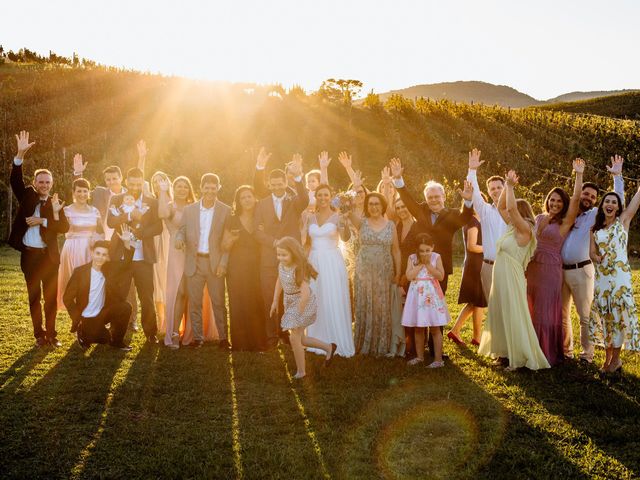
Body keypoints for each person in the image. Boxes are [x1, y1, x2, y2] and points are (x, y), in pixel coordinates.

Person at [478, 171, 550, 371]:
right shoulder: (512, 228)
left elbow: (508, 206)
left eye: (514, 212)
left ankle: (517, 358)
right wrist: (506, 191)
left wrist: (509, 185)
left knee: (512, 314)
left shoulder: (525, 229)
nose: (509, 214)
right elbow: (503, 206)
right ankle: (503, 353)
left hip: (512, 277)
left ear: (521, 212)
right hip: (500, 276)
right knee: (500, 313)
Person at [561, 155, 624, 363]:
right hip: (561, 271)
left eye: (592, 196)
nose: (587, 198)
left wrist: (617, 177)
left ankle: (587, 354)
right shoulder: (568, 214)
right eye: (585, 194)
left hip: (583, 271)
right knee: (562, 314)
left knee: (585, 316)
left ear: (596, 200)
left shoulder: (595, 215)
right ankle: (566, 350)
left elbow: (617, 202)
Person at [9, 131, 69, 347]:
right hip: (30, 257)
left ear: (51, 184)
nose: (44, 184)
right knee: (34, 298)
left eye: (47, 182)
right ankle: (39, 335)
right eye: (40, 181)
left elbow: (64, 226)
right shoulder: (27, 195)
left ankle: (52, 334)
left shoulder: (56, 202)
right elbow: (15, 180)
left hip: (49, 257)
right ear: (34, 182)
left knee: (50, 299)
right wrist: (19, 156)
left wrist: (42, 221)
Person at [525, 159, 584, 366]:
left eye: (559, 201)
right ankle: (528, 348)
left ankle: (545, 351)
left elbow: (576, 199)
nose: (555, 204)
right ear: (547, 200)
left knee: (545, 308)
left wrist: (578, 175)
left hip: (550, 270)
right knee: (529, 305)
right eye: (552, 200)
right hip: (532, 267)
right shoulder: (539, 218)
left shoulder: (565, 222)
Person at [73, 156, 139, 332]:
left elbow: (141, 180)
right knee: (104, 281)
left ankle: (132, 318)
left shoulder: (130, 196)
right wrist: (78, 172)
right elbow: (81, 192)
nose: (111, 182)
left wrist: (141, 158)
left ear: (121, 178)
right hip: (104, 245)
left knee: (127, 281)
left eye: (115, 178)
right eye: (108, 179)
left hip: (123, 243)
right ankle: (107, 316)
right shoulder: (100, 193)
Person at [390, 158, 474, 293]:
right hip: (419, 266)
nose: (433, 200)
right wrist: (398, 179)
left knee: (437, 304)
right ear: (426, 199)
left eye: (436, 196)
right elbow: (407, 198)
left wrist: (468, 200)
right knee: (420, 303)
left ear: (444, 197)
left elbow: (466, 217)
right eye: (430, 197)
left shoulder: (453, 215)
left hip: (440, 269)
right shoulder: (421, 211)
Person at [254, 152, 309, 349]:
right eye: (273, 184)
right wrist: (273, 242)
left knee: (291, 295)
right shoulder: (261, 204)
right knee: (270, 296)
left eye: (280, 183)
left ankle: (288, 333)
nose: (277, 187)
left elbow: (305, 198)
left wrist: (298, 176)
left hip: (291, 259)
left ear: (286, 182)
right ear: (269, 184)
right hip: (268, 257)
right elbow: (256, 232)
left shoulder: (294, 200)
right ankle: (271, 336)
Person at [157, 176, 217, 349]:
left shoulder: (195, 206)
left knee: (193, 293)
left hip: (194, 253)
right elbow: (161, 214)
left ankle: (191, 333)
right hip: (176, 254)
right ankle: (174, 334)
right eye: (178, 186)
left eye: (185, 186)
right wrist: (162, 191)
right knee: (179, 292)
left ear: (189, 188)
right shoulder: (169, 206)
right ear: (173, 188)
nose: (182, 189)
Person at [106, 167, 163, 343]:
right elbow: (110, 222)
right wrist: (129, 214)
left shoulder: (151, 202)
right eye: (132, 184)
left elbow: (158, 227)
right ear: (127, 182)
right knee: (119, 296)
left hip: (143, 257)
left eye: (139, 184)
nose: (135, 187)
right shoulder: (116, 199)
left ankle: (151, 333)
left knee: (146, 296)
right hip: (121, 257)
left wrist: (139, 234)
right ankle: (117, 332)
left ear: (142, 182)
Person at [175, 173, 230, 348]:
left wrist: (223, 262)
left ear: (218, 188)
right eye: (207, 187)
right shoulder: (190, 209)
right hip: (194, 262)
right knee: (195, 302)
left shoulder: (225, 210)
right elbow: (181, 229)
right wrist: (179, 237)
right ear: (201, 188)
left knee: (219, 302)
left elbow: (228, 241)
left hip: (215, 264)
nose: (210, 191)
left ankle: (223, 338)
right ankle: (198, 338)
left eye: (213, 188)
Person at [270, 237, 337, 379]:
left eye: (284, 255)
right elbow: (279, 281)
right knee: (302, 339)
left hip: (303, 302)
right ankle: (329, 347)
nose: (280, 258)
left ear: (293, 253)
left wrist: (296, 315)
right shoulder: (281, 266)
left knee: (294, 337)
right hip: (290, 301)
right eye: (278, 254)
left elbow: (305, 294)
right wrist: (275, 300)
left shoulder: (298, 269)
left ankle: (301, 371)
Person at [589, 187, 640, 373]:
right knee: (606, 317)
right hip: (602, 278)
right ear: (602, 205)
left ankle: (616, 360)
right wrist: (596, 258)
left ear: (618, 207)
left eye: (614, 202)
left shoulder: (623, 222)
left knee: (618, 317)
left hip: (619, 278)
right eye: (607, 201)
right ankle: (608, 358)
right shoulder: (594, 229)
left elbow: (635, 203)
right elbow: (591, 252)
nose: (610, 204)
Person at [348, 188, 402, 356]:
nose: (373, 207)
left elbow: (396, 251)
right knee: (364, 303)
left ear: (383, 205)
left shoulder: (391, 225)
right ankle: (363, 342)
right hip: (364, 271)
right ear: (366, 206)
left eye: (377, 204)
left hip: (384, 271)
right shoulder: (361, 222)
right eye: (370, 204)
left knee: (382, 305)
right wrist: (354, 183)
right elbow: (346, 207)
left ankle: (382, 343)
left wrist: (398, 273)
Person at [305, 184, 355, 357]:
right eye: (320, 195)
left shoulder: (338, 216)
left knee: (333, 297)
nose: (323, 198)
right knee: (316, 298)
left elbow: (346, 237)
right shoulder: (310, 217)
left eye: (326, 195)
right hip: (314, 260)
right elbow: (307, 242)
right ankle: (317, 341)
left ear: (330, 196)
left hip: (332, 261)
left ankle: (338, 340)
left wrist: (345, 224)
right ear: (315, 197)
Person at [63, 237, 133, 351]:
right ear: (92, 253)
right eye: (98, 253)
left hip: (103, 312)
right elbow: (67, 298)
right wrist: (77, 318)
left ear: (107, 257)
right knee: (103, 338)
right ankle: (83, 331)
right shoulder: (80, 272)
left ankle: (117, 341)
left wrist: (126, 243)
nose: (100, 257)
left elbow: (125, 263)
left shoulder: (108, 269)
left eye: (104, 255)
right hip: (86, 316)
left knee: (125, 307)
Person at [222, 185, 266, 351]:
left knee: (256, 301)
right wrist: (232, 239)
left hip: (257, 266)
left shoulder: (260, 218)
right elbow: (224, 245)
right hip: (237, 267)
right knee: (238, 302)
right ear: (238, 201)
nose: (247, 200)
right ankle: (240, 343)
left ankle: (259, 342)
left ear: (255, 198)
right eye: (243, 197)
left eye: (249, 196)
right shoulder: (232, 219)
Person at [402, 233, 450, 368]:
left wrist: (428, 265)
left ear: (432, 247)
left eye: (427, 250)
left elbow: (440, 276)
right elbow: (409, 275)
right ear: (417, 250)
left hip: (431, 295)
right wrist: (420, 265)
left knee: (435, 328)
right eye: (421, 251)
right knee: (418, 328)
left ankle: (438, 360)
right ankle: (420, 356)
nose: (425, 253)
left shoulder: (436, 257)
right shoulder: (412, 258)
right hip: (417, 296)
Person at [466, 149, 507, 303]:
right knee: (493, 310)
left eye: (499, 187)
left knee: (509, 308)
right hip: (488, 267)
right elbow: (475, 193)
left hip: (508, 267)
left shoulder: (514, 211)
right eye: (492, 189)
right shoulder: (485, 211)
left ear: (505, 188)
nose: (496, 191)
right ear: (489, 192)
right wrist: (472, 170)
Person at [57, 178, 104, 315]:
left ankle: (89, 317)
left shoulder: (94, 211)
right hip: (72, 248)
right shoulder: (66, 210)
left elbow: (100, 231)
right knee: (75, 284)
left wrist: (95, 238)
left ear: (89, 193)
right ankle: (77, 318)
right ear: (73, 192)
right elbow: (59, 229)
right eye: (79, 191)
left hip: (90, 250)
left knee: (90, 283)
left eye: (85, 191)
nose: (82, 194)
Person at [448, 211, 487, 346]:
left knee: (477, 301)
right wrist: (490, 248)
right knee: (477, 301)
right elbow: (472, 246)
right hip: (475, 264)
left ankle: (471, 335)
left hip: (477, 263)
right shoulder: (472, 221)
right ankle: (467, 334)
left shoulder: (477, 220)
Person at [149, 171, 172, 334]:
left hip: (170, 241)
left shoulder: (173, 200)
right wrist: (142, 159)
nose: (157, 184)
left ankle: (173, 321)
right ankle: (161, 321)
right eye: (154, 181)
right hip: (156, 242)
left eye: (160, 181)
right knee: (157, 282)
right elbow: (140, 181)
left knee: (170, 280)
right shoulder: (150, 201)